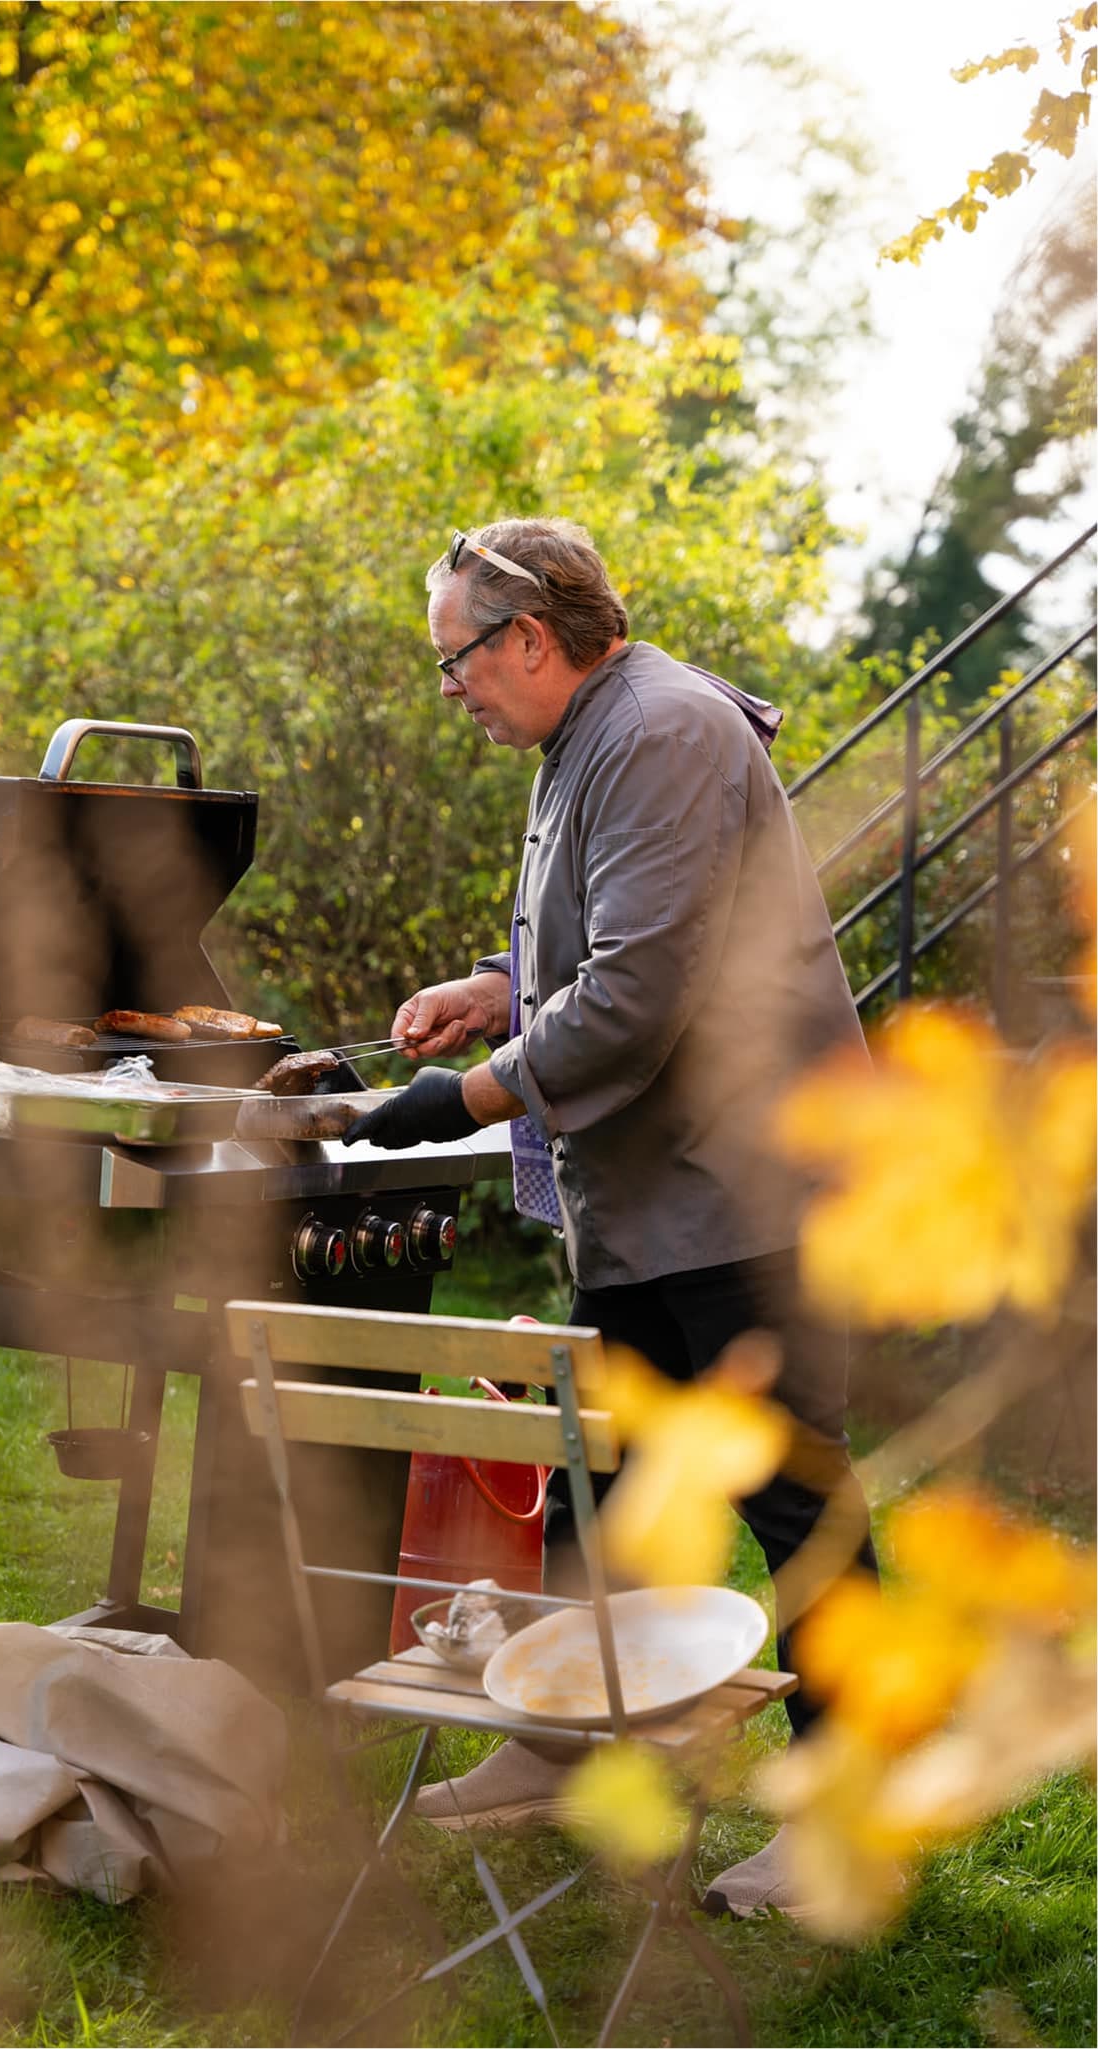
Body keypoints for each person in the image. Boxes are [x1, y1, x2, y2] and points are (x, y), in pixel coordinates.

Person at [341, 518, 878, 1919]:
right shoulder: (590, 732)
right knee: (603, 1475)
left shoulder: (663, 732)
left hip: (744, 1187)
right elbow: (622, 934)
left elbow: (639, 993)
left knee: (795, 1502)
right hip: (655, 1192)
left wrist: (460, 1097)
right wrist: (497, 989)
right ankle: (565, 1740)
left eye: (456, 658)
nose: (449, 687)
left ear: (528, 638)